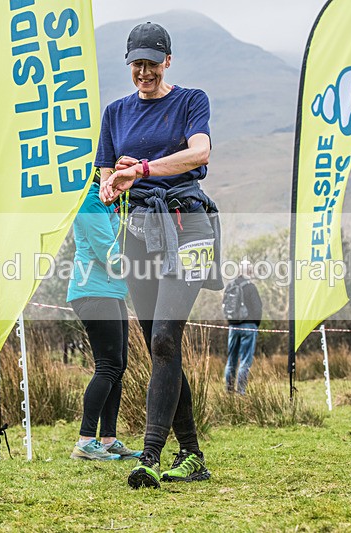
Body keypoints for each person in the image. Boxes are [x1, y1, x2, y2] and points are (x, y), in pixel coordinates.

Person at [97, 21, 221, 489]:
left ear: (168, 60)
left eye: (152, 63)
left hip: (188, 226)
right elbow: (105, 180)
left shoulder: (191, 101)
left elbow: (199, 153)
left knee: (167, 338)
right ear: (128, 64)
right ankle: (192, 456)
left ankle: (149, 456)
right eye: (137, 64)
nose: (144, 72)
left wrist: (144, 169)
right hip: (140, 232)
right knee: (158, 345)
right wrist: (115, 180)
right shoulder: (115, 113)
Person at [67, 171, 141, 461]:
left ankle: (108, 440)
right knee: (108, 366)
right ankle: (86, 441)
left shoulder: (110, 202)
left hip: (112, 291)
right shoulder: (91, 202)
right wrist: (144, 261)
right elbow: (108, 254)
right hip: (93, 291)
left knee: (118, 366)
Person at [223, 263, 263, 394]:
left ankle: (229, 391)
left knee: (231, 361)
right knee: (245, 361)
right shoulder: (251, 287)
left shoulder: (230, 286)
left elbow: (225, 306)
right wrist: (255, 324)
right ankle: (241, 392)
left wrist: (230, 321)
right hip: (249, 327)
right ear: (249, 272)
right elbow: (258, 308)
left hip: (233, 326)